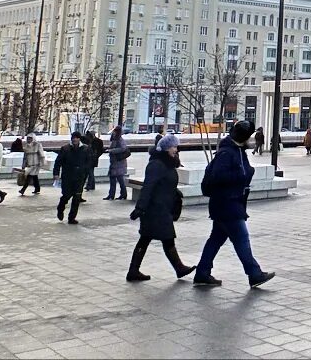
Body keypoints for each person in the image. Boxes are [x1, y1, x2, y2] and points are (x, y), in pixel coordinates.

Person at [194, 120, 275, 289]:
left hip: (229, 203)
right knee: (241, 238)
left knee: (215, 239)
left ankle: (202, 272)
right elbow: (219, 176)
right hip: (227, 204)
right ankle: (254, 274)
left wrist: (246, 173)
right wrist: (242, 175)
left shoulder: (237, 151)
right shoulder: (227, 153)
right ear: (244, 137)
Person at [127, 134, 196, 282]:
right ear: (165, 148)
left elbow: (165, 184)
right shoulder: (157, 164)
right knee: (166, 238)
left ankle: (134, 271)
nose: (176, 150)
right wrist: (140, 208)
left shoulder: (168, 163)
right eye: (173, 147)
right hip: (154, 209)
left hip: (162, 207)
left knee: (148, 238)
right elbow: (148, 187)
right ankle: (179, 268)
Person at [53, 132, 90, 224]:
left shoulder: (85, 149)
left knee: (77, 198)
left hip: (79, 177)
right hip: (67, 177)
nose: (74, 139)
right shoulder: (65, 149)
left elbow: (89, 162)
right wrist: (56, 173)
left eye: (76, 138)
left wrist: (85, 171)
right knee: (66, 195)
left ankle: (72, 218)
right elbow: (58, 162)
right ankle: (60, 208)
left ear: (79, 139)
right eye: (73, 138)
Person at [105, 126, 130, 200]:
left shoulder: (120, 139)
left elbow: (123, 148)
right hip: (115, 162)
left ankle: (122, 194)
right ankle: (111, 195)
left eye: (115, 131)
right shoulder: (115, 139)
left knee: (119, 179)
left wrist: (112, 151)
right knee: (114, 178)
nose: (113, 132)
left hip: (119, 162)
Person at [83, 130, 105, 194]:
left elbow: (101, 150)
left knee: (90, 172)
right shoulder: (87, 140)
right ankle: (92, 186)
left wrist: (96, 156)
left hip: (93, 159)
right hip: (88, 159)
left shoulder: (99, 141)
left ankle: (89, 186)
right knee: (90, 172)